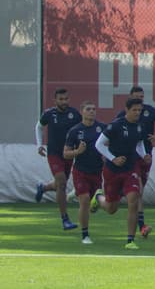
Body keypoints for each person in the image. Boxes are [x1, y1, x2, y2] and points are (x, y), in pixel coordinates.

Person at [92, 96, 149, 249]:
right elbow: (99, 144)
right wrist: (113, 158)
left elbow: (139, 144)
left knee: (133, 200)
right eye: (134, 110)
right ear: (127, 110)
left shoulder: (140, 126)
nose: (137, 113)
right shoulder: (115, 125)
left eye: (139, 110)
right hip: (112, 171)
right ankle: (98, 198)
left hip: (131, 169)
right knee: (111, 208)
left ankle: (130, 240)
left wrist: (144, 155)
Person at [115, 86, 155, 239]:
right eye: (136, 96)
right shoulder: (122, 116)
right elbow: (112, 135)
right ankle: (142, 226)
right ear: (130, 97)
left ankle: (105, 197)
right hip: (131, 157)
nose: (139, 99)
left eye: (142, 96)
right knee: (138, 190)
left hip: (146, 156)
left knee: (136, 193)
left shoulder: (151, 111)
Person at [35, 87, 81, 231]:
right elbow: (39, 127)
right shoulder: (49, 114)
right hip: (54, 154)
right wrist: (39, 145)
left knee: (60, 183)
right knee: (61, 183)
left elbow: (81, 130)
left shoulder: (75, 114)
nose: (64, 102)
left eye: (66, 99)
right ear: (55, 100)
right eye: (61, 99)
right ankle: (65, 219)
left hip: (69, 154)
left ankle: (43, 187)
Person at [63, 101, 107, 244]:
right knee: (85, 200)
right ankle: (85, 235)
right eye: (88, 109)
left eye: (94, 109)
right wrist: (77, 151)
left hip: (97, 171)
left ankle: (75, 192)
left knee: (94, 203)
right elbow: (65, 153)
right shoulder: (75, 131)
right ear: (82, 111)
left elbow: (110, 145)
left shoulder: (102, 128)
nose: (92, 111)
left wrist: (107, 155)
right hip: (80, 171)